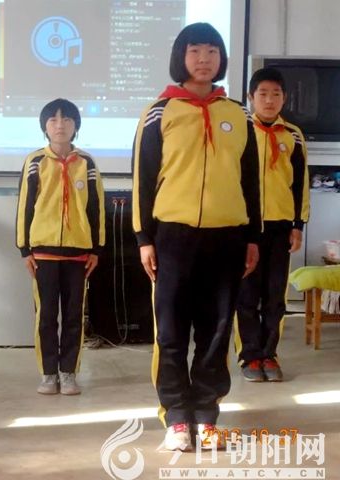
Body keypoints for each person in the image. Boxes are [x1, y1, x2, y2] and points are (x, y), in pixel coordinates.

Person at [132, 23, 261, 451]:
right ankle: (176, 418)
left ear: (221, 58)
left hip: (228, 237)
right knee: (171, 331)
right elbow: (143, 179)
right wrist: (144, 238)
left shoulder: (239, 114)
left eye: (211, 51)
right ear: (181, 57)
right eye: (194, 51)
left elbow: (250, 181)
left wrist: (253, 237)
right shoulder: (159, 112)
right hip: (173, 237)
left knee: (217, 330)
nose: (204, 59)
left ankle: (206, 415)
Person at [16, 98, 105, 396]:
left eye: (66, 119)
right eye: (53, 120)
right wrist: (24, 249)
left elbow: (96, 207)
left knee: (73, 315)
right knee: (46, 315)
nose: (60, 125)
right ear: (44, 126)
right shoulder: (35, 162)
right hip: (43, 251)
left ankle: (68, 373)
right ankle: (48, 374)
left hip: (79, 252)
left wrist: (97, 249)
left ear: (75, 125)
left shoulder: (87, 163)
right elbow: (25, 206)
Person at [235, 68, 309, 383]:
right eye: (263, 94)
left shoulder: (292, 135)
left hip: (280, 226)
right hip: (244, 228)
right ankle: (249, 355)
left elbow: (300, 184)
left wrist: (298, 224)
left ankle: (269, 353)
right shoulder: (240, 130)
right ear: (251, 97)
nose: (269, 100)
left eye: (275, 94)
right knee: (246, 294)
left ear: (284, 98)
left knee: (275, 296)